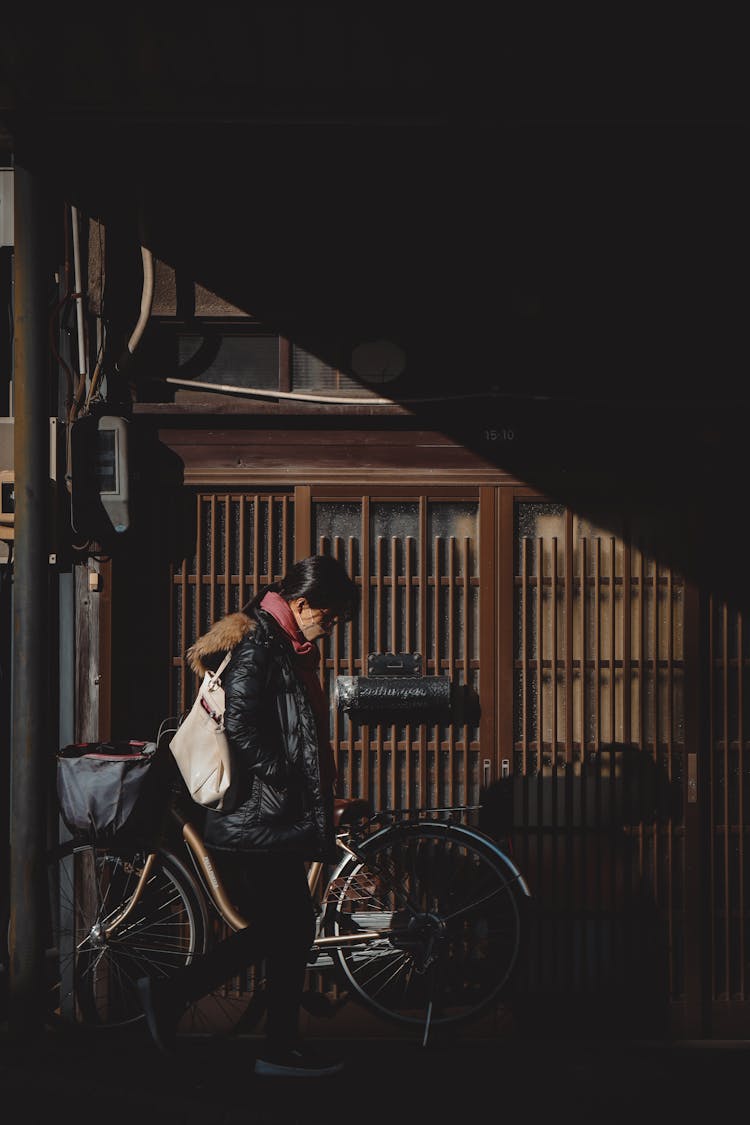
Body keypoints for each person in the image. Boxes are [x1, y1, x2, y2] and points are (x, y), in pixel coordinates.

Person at [137, 554, 359, 1078]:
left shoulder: (281, 642)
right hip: (258, 816)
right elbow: (241, 725)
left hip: (271, 814)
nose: (329, 628)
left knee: (285, 928)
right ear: (301, 604)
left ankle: (273, 1043)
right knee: (287, 926)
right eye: (327, 617)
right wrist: (286, 778)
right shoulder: (262, 644)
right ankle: (245, 1032)